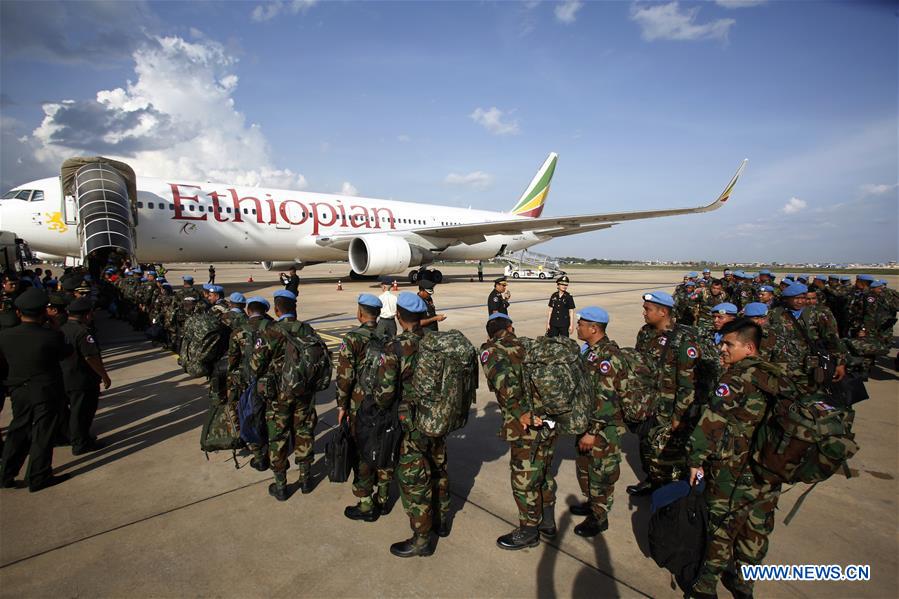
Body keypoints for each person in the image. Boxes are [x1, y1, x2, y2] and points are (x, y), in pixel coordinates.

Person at [687, 318, 791, 599]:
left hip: (734, 470)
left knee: (722, 527)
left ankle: (705, 586)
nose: (721, 348)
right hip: (770, 469)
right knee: (756, 529)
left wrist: (695, 460)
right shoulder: (774, 375)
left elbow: (711, 423)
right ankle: (745, 584)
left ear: (748, 347)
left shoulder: (735, 378)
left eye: (728, 344)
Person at [375, 292, 447, 557]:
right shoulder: (438, 344)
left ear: (399, 316)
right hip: (439, 418)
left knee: (414, 479)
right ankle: (441, 521)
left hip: (412, 424)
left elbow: (384, 395)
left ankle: (421, 539)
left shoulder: (396, 347)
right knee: (438, 469)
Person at [480, 313, 558, 550]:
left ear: (490, 333)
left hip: (526, 423)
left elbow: (505, 383)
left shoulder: (491, 349)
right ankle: (547, 522)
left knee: (524, 478)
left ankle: (528, 531)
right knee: (543, 471)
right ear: (511, 328)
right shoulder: (530, 344)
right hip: (550, 419)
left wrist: (519, 412)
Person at [0, 288, 73, 491]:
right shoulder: (51, 336)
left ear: (18, 312)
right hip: (45, 390)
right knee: (43, 433)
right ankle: (39, 476)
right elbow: (67, 353)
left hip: (18, 390)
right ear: (43, 312)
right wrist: (56, 328)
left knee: (17, 430)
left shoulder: (5, 336)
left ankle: (5, 474)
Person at [250, 289, 320, 500]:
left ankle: (281, 485)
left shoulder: (270, 331)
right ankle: (306, 479)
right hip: (304, 392)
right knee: (304, 432)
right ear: (295, 308)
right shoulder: (307, 330)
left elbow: (255, 366)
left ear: (277, 309)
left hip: (278, 395)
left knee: (278, 437)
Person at [629, 291, 701, 495]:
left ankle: (668, 490)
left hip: (669, 408)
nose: (644, 313)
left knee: (666, 452)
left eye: (647, 309)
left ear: (662, 312)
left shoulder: (683, 339)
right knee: (646, 444)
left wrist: (679, 415)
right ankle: (651, 480)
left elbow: (688, 383)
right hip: (648, 403)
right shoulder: (645, 332)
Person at [336, 293, 393, 522]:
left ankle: (366, 503)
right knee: (384, 447)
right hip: (384, 403)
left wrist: (342, 405)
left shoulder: (352, 338)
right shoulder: (388, 338)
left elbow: (344, 377)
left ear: (360, 313)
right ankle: (383, 497)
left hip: (360, 405)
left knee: (363, 451)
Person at [572, 307, 625, 537]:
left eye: (581, 324)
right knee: (586, 468)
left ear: (594, 328)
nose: (578, 327)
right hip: (588, 423)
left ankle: (599, 517)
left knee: (601, 473)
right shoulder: (591, 351)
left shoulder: (607, 357)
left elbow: (607, 399)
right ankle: (592, 504)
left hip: (603, 429)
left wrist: (592, 432)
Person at [226, 296, 272, 470]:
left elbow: (232, 362)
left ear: (248, 311)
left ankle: (259, 455)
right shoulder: (274, 329)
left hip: (246, 382)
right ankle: (271, 448)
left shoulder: (238, 332)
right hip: (269, 382)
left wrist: (230, 387)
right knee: (269, 415)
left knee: (249, 415)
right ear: (265, 311)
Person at [60, 297, 111, 455]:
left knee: (75, 411)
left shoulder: (62, 329)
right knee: (82, 412)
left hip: (66, 376)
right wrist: (104, 375)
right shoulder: (83, 332)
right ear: (87, 315)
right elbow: (90, 357)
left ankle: (77, 438)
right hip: (82, 379)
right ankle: (80, 443)